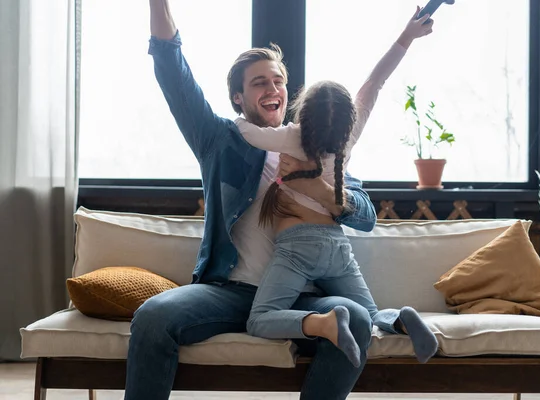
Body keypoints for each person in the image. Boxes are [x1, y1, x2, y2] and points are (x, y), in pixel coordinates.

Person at [126, 1, 433, 399]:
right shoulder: (221, 139)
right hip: (230, 290)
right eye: (258, 83)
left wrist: (322, 194)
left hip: (304, 294)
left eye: (278, 81)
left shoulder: (317, 144)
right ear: (238, 98)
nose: (272, 89)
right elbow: (172, 70)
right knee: (153, 315)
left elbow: (366, 215)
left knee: (357, 317)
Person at [234, 11, 437, 368]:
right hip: (337, 245)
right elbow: (374, 84)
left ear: (303, 111)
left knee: (260, 318)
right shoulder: (347, 140)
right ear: (346, 120)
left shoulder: (290, 136)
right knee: (372, 314)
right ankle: (400, 318)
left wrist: (237, 116)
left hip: (297, 247)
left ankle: (324, 322)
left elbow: (247, 132)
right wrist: (405, 38)